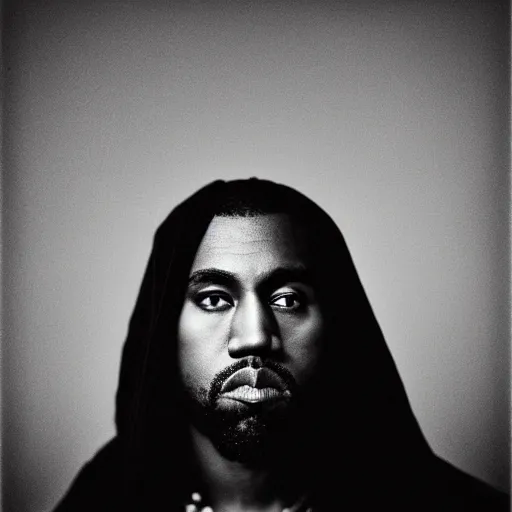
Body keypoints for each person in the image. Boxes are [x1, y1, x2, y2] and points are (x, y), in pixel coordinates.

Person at [53, 178, 508, 511]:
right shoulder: (102, 500)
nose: (254, 337)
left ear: (338, 324)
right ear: (161, 329)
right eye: (213, 299)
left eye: (287, 299)